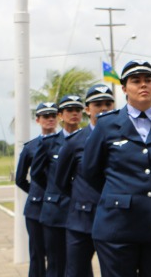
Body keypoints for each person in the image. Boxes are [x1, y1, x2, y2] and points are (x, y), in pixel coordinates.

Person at [82, 60, 151, 277]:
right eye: (135, 81)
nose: (143, 85)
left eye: (148, 80)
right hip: (117, 227)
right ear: (124, 88)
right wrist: (120, 194)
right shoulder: (106, 125)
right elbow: (91, 171)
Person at [55, 84, 115, 277]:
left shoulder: (125, 137)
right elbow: (61, 181)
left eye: (108, 103)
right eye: (98, 104)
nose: (104, 108)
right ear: (88, 109)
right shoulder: (74, 142)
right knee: (76, 272)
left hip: (116, 218)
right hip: (82, 220)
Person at [31, 95, 84, 277]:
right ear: (60, 115)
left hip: (81, 211)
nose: (74, 114)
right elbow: (36, 174)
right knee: (55, 264)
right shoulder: (49, 143)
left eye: (78, 110)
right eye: (69, 110)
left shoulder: (89, 140)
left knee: (81, 266)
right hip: (55, 211)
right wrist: (53, 190)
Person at [15, 102, 59, 277]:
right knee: (37, 254)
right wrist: (35, 191)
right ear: (38, 120)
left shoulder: (66, 143)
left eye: (53, 116)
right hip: (36, 209)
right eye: (45, 116)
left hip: (58, 207)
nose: (49, 119)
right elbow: (20, 179)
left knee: (57, 254)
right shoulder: (30, 147)